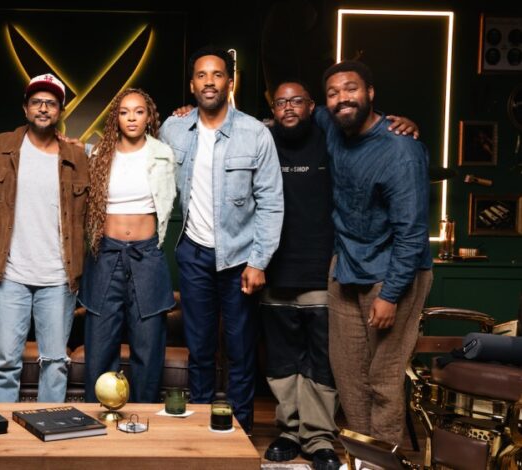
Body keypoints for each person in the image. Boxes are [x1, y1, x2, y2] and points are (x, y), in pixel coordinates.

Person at [159, 46, 284, 434]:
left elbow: (271, 202)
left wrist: (259, 261)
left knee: (241, 351)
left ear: (230, 82)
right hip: (193, 255)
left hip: (241, 258)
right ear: (192, 85)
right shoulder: (173, 128)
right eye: (201, 75)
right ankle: (201, 432)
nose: (209, 82)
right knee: (199, 349)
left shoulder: (255, 133)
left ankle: (240, 433)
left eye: (217, 75)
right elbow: (133, 151)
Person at [316, 60, 433, 445]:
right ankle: (363, 459)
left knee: (383, 377)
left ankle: (384, 462)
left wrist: (391, 295)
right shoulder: (332, 125)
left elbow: (412, 233)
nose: (341, 99)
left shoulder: (401, 150)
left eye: (350, 89)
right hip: (346, 267)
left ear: (370, 92)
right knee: (349, 376)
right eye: (332, 93)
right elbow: (295, 109)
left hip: (392, 271)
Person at [0, 73, 89, 403]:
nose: (43, 108)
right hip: (11, 275)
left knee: (55, 363)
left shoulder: (77, 157)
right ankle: (2, 430)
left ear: (60, 111)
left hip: (58, 277)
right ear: (25, 108)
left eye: (51, 103)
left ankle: (49, 427)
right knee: (5, 363)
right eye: (37, 102)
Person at [260, 80, 340, 470]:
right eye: (281, 102)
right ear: (273, 109)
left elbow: (366, 122)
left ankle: (319, 436)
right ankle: (290, 431)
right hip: (274, 268)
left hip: (320, 268)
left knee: (320, 359)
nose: (288, 108)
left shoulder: (332, 137)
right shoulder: (262, 139)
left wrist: (400, 122)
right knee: (281, 358)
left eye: (296, 101)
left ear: (312, 106)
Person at [79, 88, 176, 403]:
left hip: (146, 255)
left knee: (148, 346)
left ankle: (143, 419)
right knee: (99, 345)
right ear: (115, 118)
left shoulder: (163, 154)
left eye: (138, 111)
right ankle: (98, 418)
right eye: (124, 112)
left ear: (149, 117)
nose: (131, 118)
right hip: (105, 254)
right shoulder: (99, 154)